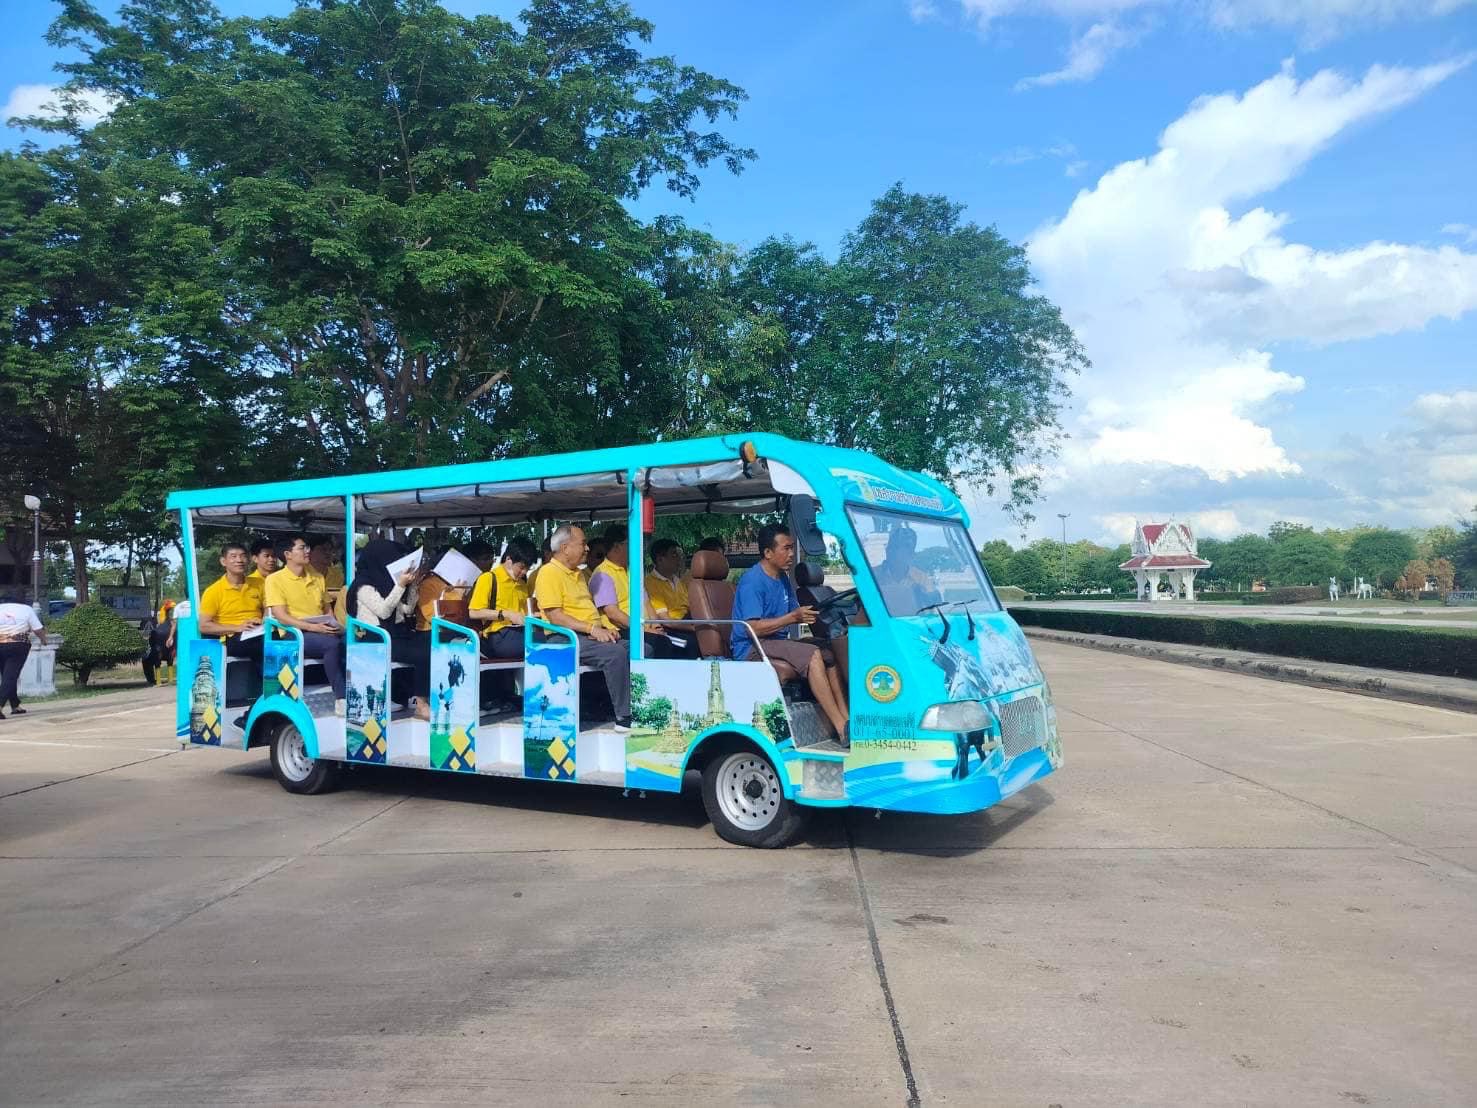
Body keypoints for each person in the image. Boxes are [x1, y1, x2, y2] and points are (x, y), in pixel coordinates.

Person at [731, 523, 849, 740]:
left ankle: (846, 718)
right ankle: (841, 729)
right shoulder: (752, 581)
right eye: (786, 548)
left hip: (775, 642)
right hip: (752, 647)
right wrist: (793, 618)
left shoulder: (783, 579)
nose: (791, 553)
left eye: (792, 548)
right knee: (812, 655)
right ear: (768, 552)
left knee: (827, 652)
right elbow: (753, 628)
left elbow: (796, 611)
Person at [533, 523, 631, 730]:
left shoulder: (577, 574)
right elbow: (556, 617)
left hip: (586, 635)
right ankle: (624, 717)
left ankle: (633, 705)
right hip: (564, 637)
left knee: (641, 648)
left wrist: (602, 629)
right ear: (565, 548)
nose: (587, 548)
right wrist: (592, 629)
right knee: (615, 653)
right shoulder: (548, 573)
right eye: (583, 544)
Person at [348, 539, 430, 717]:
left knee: (431, 645)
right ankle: (421, 704)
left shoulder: (386, 583)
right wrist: (400, 585)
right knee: (423, 654)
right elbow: (384, 612)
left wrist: (413, 585)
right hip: (376, 638)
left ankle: (417, 696)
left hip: (396, 634)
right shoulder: (363, 586)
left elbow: (407, 610)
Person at [264, 533, 345, 704]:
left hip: (320, 628)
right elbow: (281, 616)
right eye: (302, 548)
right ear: (288, 554)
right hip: (294, 633)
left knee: (351, 640)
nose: (307, 551)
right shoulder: (274, 580)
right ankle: (342, 698)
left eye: (307, 547)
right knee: (332, 645)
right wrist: (312, 627)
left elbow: (327, 609)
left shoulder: (317, 577)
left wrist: (334, 625)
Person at [196, 541, 266, 675]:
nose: (239, 560)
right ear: (223, 561)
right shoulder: (213, 591)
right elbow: (204, 626)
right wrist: (238, 627)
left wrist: (264, 619)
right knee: (264, 645)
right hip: (232, 637)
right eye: (233, 556)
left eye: (243, 556)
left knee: (284, 640)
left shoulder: (259, 584)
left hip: (259, 630)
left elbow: (268, 607)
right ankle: (272, 685)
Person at [468, 536, 537, 660]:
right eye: (521, 567)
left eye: (528, 568)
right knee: (539, 642)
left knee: (546, 638)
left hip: (520, 631)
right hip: (497, 635)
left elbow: (524, 614)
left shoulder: (522, 584)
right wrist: (506, 615)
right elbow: (473, 612)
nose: (524, 572)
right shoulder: (488, 578)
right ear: (509, 560)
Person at [0, 594, 46, 720]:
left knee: (7, 675)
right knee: (10, 675)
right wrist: (44, 640)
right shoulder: (26, 609)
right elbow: (38, 629)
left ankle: (15, 705)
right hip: (18, 644)